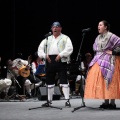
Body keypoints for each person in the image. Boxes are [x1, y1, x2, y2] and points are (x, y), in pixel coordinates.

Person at [84, 20, 120, 109]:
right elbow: (95, 48)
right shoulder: (98, 37)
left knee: (110, 80)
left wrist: (114, 52)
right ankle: (105, 102)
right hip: (99, 58)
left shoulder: (112, 36)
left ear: (105, 27)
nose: (98, 27)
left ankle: (112, 103)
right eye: (98, 25)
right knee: (101, 80)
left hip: (110, 60)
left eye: (100, 25)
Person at [37, 21, 73, 107]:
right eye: (53, 27)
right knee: (49, 82)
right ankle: (49, 101)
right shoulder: (47, 39)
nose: (55, 28)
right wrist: (44, 56)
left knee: (63, 81)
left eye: (57, 27)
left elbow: (69, 48)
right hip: (50, 60)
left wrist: (61, 54)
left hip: (61, 60)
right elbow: (40, 49)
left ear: (60, 28)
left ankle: (67, 100)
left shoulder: (65, 38)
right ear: (51, 29)